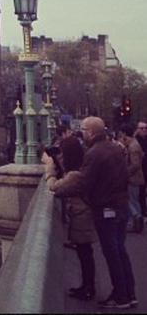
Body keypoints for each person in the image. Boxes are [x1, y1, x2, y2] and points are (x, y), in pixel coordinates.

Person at [47, 116, 135, 309]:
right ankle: (130, 293)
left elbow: (83, 184)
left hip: (107, 210)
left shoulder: (95, 153)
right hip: (121, 207)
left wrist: (57, 193)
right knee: (120, 251)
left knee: (112, 253)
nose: (82, 133)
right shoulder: (115, 149)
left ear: (91, 132)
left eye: (84, 130)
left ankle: (120, 297)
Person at [43, 136, 97, 301]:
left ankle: (88, 289)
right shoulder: (78, 170)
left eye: (62, 153)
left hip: (82, 216)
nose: (60, 157)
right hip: (82, 214)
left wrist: (49, 167)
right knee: (84, 252)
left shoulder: (75, 174)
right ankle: (87, 286)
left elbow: (53, 186)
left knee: (85, 253)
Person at [117, 121, 145, 233]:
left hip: (133, 179)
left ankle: (136, 216)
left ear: (124, 133)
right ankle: (137, 224)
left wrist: (126, 173)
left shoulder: (133, 146)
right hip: (136, 178)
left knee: (129, 200)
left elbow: (135, 164)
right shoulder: (132, 144)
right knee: (134, 201)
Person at [136, 119, 147, 223]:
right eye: (142, 128)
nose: (144, 130)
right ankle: (142, 213)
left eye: (145, 128)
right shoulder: (136, 141)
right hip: (141, 170)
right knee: (141, 193)